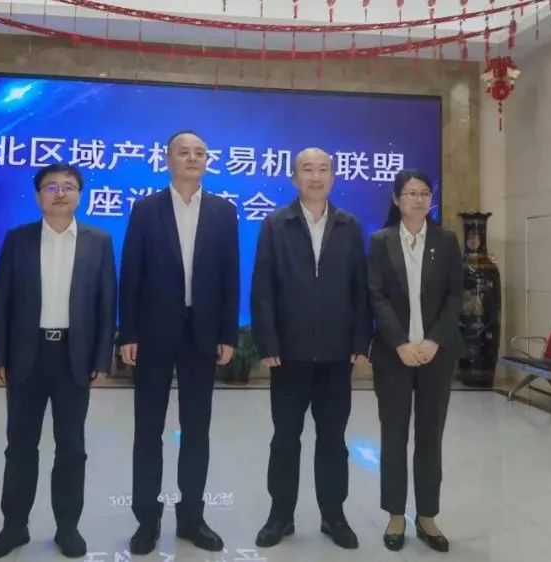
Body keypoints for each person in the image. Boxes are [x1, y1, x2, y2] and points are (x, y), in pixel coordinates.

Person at [0, 163, 116, 560]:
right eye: (51, 187)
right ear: (39, 195)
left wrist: (101, 357)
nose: (60, 193)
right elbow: (2, 300)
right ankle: (14, 527)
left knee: (72, 446)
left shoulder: (99, 241)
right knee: (20, 446)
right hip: (27, 355)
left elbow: (106, 304)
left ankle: (67, 527)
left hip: (74, 357)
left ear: (80, 195)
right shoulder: (18, 239)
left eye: (69, 187)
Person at [118, 131, 240, 555]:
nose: (192, 158)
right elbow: (130, 273)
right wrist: (128, 332)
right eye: (183, 152)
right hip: (153, 332)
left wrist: (227, 333)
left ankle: (191, 518)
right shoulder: (146, 209)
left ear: (207, 161)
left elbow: (230, 277)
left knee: (197, 430)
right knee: (148, 430)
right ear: (167, 159)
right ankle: (146, 521)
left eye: (199, 153)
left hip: (202, 334)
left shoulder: (224, 211)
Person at [250, 147, 370, 550]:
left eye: (323, 170)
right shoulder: (276, 223)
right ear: (294, 177)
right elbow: (262, 288)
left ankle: (333, 515)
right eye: (307, 169)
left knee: (333, 439)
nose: (315, 177)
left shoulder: (349, 225)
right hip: (289, 353)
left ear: (333, 177)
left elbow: (360, 288)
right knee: (285, 438)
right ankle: (280, 515)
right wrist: (267, 341)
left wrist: (359, 340)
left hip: (337, 354)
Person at [366, 169, 464, 553]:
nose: (419, 199)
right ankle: (395, 515)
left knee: (429, 436)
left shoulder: (446, 240)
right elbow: (376, 296)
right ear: (396, 199)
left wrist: (434, 340)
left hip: (436, 355)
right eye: (410, 193)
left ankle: (427, 515)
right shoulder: (380, 241)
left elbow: (454, 296)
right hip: (394, 356)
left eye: (424, 193)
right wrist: (401, 343)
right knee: (393, 436)